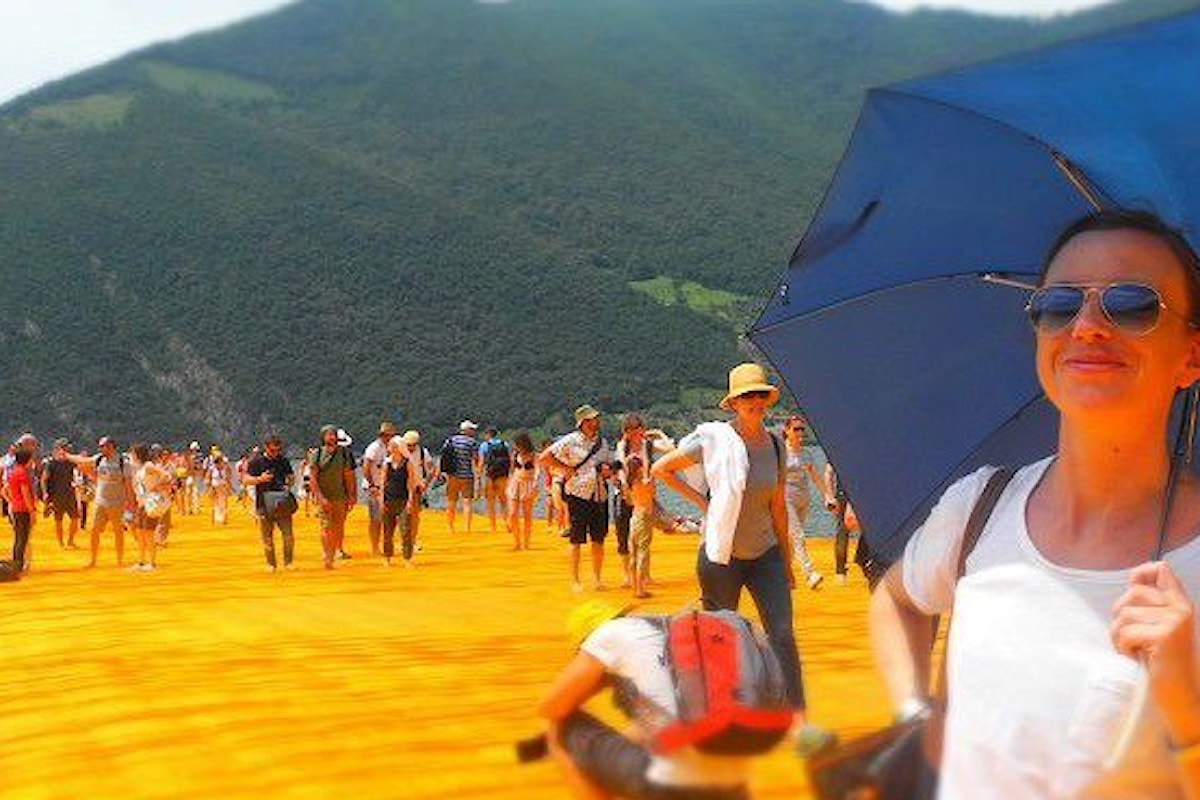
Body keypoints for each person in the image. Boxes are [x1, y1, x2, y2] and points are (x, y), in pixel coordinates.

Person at [871, 210, 1200, 798]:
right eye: (1059, 304)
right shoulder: (979, 508)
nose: (1088, 325)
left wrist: (1189, 714)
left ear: (1191, 357)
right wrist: (916, 717)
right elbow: (897, 599)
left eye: (1132, 304)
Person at [652, 363, 805, 713]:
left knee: (782, 634)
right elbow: (661, 469)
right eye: (746, 396)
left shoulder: (777, 447)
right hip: (722, 559)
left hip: (766, 555)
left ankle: (797, 716)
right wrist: (704, 502)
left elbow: (779, 508)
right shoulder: (714, 440)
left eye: (760, 395)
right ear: (734, 403)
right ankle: (719, 712)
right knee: (719, 638)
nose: (755, 401)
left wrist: (787, 559)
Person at [538, 600, 753, 799]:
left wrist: (596, 682)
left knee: (560, 727)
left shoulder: (606, 638)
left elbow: (551, 707)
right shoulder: (662, 634)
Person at [541, 405, 613, 592]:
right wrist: (565, 468)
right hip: (578, 494)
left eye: (596, 419)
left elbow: (610, 465)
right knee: (576, 539)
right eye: (590, 420)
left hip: (599, 495)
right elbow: (545, 457)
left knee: (599, 539)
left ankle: (597, 579)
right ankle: (576, 580)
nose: (595, 423)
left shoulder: (602, 443)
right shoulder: (570, 441)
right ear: (582, 423)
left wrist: (608, 470)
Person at [614, 415, 675, 589]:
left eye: (639, 430)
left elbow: (671, 450)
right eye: (631, 431)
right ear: (625, 432)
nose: (636, 434)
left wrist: (658, 433)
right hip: (629, 493)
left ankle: (643, 577)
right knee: (626, 536)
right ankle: (630, 578)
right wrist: (626, 488)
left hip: (644, 493)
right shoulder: (622, 447)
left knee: (643, 539)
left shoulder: (648, 445)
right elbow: (620, 469)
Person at [66, 436, 134, 568]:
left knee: (118, 532)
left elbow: (128, 485)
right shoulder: (99, 459)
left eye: (103, 446)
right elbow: (84, 461)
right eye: (100, 446)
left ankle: (120, 561)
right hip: (100, 502)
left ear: (112, 447)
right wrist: (68, 456)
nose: (101, 448)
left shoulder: (123, 462)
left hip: (117, 502)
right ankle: (93, 560)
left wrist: (131, 504)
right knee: (94, 530)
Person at [782, 415, 826, 590]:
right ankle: (809, 573)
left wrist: (827, 495)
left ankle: (785, 575)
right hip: (786, 497)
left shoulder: (806, 453)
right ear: (787, 430)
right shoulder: (782, 452)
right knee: (798, 535)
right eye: (796, 429)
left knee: (792, 539)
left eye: (802, 429)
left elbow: (816, 477)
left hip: (804, 497)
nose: (800, 433)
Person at [308, 424, 357, 569]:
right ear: (323, 437)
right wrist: (319, 497)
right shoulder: (317, 454)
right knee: (325, 526)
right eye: (328, 434)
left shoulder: (344, 453)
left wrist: (352, 495)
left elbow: (349, 475)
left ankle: (333, 551)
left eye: (333, 434)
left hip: (340, 496)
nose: (332, 437)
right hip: (324, 496)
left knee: (338, 526)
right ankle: (327, 555)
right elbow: (313, 478)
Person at [245, 433, 296, 572]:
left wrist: (289, 483)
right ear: (265, 448)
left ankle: (288, 562)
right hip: (263, 503)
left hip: (282, 502)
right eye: (273, 450)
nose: (276, 453)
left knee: (288, 536)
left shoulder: (283, 461)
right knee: (267, 538)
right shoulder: (256, 462)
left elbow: (291, 477)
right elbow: (245, 479)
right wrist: (260, 479)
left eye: (279, 450)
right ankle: (271, 564)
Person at [130, 442, 173, 572]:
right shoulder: (140, 468)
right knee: (140, 533)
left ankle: (152, 563)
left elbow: (166, 475)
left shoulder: (148, 466)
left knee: (148, 533)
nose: (131, 456)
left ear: (138, 455)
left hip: (150, 503)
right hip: (142, 503)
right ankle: (141, 561)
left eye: (132, 453)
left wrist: (156, 487)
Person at [381, 431, 418, 567]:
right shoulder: (387, 463)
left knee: (405, 530)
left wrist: (410, 501)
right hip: (389, 500)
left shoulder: (407, 463)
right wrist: (382, 501)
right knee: (387, 530)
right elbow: (383, 483)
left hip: (403, 500)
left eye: (393, 445)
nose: (390, 448)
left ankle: (407, 558)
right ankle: (387, 557)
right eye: (390, 446)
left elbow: (410, 483)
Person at [362, 421, 397, 557]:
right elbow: (366, 467)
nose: (390, 437)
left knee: (388, 519)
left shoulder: (393, 447)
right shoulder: (374, 448)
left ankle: (386, 546)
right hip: (375, 488)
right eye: (387, 435)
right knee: (376, 519)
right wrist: (372, 485)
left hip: (388, 489)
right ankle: (375, 547)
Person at [441, 420, 480, 535]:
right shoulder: (472, 442)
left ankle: (450, 527)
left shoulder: (450, 440)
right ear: (467, 430)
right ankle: (467, 528)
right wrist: (478, 476)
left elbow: (444, 456)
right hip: (467, 475)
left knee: (451, 502)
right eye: (472, 429)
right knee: (467, 502)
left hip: (452, 475)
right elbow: (476, 459)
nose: (474, 431)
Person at [42, 438, 79, 549]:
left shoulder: (70, 462)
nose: (67, 450)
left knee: (75, 519)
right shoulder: (51, 463)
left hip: (70, 494)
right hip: (56, 496)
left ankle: (70, 541)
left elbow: (80, 470)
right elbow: (44, 479)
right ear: (58, 449)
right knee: (58, 520)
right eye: (64, 447)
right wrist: (45, 493)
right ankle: (61, 543)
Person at [402, 429, 436, 551]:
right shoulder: (399, 451)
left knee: (415, 517)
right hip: (401, 488)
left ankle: (412, 541)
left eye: (413, 445)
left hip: (416, 488)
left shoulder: (422, 452)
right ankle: (404, 541)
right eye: (408, 445)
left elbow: (432, 469)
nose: (410, 448)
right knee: (402, 516)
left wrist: (425, 484)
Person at [6, 446, 37, 573]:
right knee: (22, 538)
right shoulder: (23, 473)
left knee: (19, 537)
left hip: (16, 508)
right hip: (23, 509)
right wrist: (32, 511)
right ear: (27, 460)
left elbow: (6, 490)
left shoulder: (14, 471)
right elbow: (26, 494)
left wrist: (12, 501)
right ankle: (18, 565)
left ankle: (16, 563)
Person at [506, 431, 539, 551]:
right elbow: (511, 470)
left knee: (527, 515)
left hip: (528, 483)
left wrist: (535, 485)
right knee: (513, 514)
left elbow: (537, 471)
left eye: (517, 444)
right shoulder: (514, 454)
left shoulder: (534, 455)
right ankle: (516, 541)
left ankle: (526, 543)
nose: (515, 447)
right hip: (515, 483)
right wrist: (508, 484)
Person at [479, 427, 512, 534]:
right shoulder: (504, 444)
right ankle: (508, 523)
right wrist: (510, 474)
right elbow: (510, 460)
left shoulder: (484, 445)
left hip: (490, 476)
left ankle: (493, 527)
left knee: (490, 502)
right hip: (503, 476)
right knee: (504, 501)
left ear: (487, 434)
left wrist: (479, 476)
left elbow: (481, 462)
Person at [206, 447, 232, 525]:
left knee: (223, 501)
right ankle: (218, 518)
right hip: (215, 485)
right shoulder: (212, 468)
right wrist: (209, 487)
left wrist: (229, 487)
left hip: (222, 485)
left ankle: (223, 518)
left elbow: (228, 477)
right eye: (217, 462)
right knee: (216, 502)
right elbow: (208, 477)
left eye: (219, 461)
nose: (218, 463)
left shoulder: (225, 467)